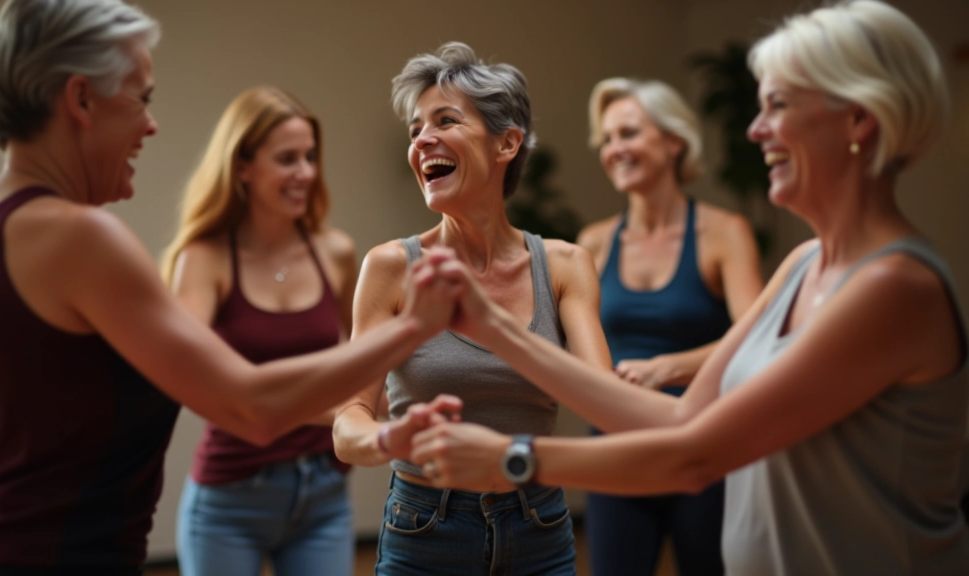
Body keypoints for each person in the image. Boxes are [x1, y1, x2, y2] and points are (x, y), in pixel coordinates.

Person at [409, 2, 969, 575]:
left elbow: (695, 456)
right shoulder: (803, 264)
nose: (755, 129)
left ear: (859, 119)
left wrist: (511, 458)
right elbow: (678, 420)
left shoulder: (894, 285)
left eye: (777, 105)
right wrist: (489, 328)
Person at [0, 1, 458, 573]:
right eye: (141, 98)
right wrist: (414, 324)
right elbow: (249, 406)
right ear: (80, 99)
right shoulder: (81, 237)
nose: (151, 123)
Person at [332, 42, 611, 576]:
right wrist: (392, 436)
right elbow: (349, 427)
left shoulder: (565, 265)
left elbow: (608, 405)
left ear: (507, 143)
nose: (422, 141)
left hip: (541, 525)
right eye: (415, 130)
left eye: (445, 120)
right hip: (424, 529)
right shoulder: (390, 266)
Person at [161, 87, 357, 575]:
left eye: (311, 157)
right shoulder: (204, 259)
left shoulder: (336, 252)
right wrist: (324, 411)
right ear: (242, 166)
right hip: (230, 498)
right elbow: (193, 383)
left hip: (324, 494)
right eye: (287, 159)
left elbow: (365, 368)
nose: (306, 173)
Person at [575, 77, 762, 576]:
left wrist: (667, 369)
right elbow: (572, 347)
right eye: (608, 139)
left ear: (674, 142)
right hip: (616, 446)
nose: (615, 149)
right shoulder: (592, 244)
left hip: (703, 442)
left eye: (629, 133)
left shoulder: (724, 233)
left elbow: (755, 336)